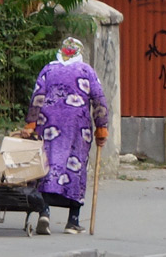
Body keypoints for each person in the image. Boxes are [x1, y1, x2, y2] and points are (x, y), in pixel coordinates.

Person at [23, 35, 109, 236]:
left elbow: (37, 96)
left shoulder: (49, 69)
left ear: (61, 51)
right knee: (75, 166)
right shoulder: (86, 71)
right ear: (79, 53)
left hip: (48, 124)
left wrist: (30, 124)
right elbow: (99, 99)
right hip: (77, 127)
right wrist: (101, 128)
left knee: (47, 165)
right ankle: (73, 221)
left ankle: (44, 212)